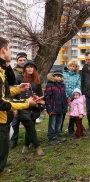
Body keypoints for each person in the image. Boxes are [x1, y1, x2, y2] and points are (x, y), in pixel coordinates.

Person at [0, 37, 36, 177]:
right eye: (9, 48)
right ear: (4, 50)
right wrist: (27, 103)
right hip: (1, 119)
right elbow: (1, 102)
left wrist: (17, 89)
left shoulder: (2, 70)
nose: (10, 52)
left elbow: (4, 91)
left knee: (3, 149)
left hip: (4, 119)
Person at [15, 60, 45, 156]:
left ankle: (25, 145)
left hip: (34, 108)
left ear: (34, 69)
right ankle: (38, 147)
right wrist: (15, 108)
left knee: (30, 127)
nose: (30, 69)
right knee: (31, 128)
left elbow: (40, 93)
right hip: (22, 107)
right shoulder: (19, 78)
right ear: (24, 69)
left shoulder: (36, 80)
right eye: (27, 67)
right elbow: (14, 94)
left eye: (31, 67)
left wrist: (41, 105)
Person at [45, 69, 68, 145]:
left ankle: (57, 135)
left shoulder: (62, 85)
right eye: (57, 76)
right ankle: (51, 137)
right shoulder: (49, 85)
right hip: (53, 109)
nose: (58, 78)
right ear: (53, 76)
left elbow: (64, 97)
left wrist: (65, 107)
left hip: (61, 108)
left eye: (60, 77)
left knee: (59, 122)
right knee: (52, 123)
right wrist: (49, 109)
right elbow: (47, 98)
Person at [10, 52, 27, 149]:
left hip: (26, 98)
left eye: (24, 60)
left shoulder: (30, 70)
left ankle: (27, 140)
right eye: (20, 60)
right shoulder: (13, 72)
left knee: (27, 121)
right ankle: (14, 141)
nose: (22, 62)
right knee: (15, 122)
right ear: (17, 61)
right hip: (16, 98)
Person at [62, 60, 81, 136]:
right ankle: (59, 129)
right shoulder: (63, 74)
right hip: (64, 97)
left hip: (74, 98)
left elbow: (78, 86)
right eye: (71, 66)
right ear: (68, 66)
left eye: (74, 66)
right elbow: (62, 86)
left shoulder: (77, 76)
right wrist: (66, 96)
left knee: (73, 114)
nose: (72, 68)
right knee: (62, 113)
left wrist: (73, 96)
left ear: (76, 67)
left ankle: (71, 130)